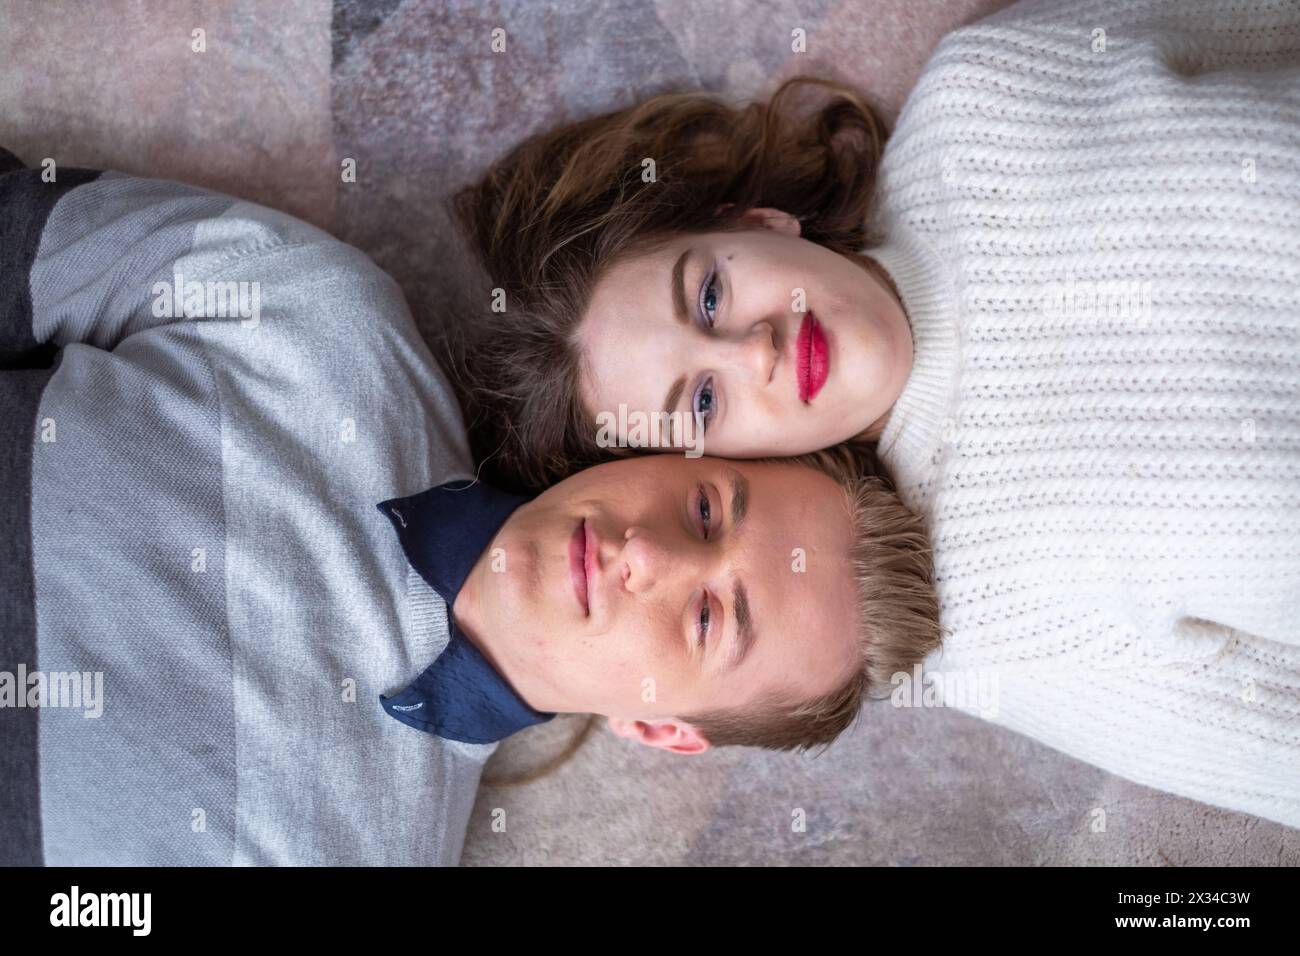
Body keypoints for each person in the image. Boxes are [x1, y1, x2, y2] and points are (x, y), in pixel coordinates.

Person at [447, 0, 1300, 829]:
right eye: (704, 403)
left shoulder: (982, 89)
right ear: (720, 459)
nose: (756, 351)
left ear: (756, 221)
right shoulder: (1002, 625)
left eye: (710, 293)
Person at [0, 154, 940, 865]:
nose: (644, 555)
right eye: (703, 510)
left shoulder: (355, 849)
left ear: (661, 729)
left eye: (707, 618)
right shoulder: (320, 326)